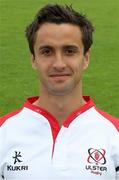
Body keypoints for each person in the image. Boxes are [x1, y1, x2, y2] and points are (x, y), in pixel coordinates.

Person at [0, 4, 119, 180]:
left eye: (69, 51)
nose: (59, 64)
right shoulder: (4, 132)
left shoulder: (114, 135)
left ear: (86, 58)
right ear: (34, 59)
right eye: (47, 51)